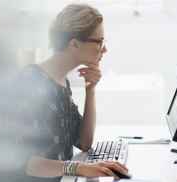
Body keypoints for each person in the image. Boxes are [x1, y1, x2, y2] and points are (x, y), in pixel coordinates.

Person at [13, 3, 128, 182]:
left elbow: (84, 142)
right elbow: (24, 162)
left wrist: (90, 89)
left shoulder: (61, 82)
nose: (104, 49)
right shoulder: (31, 81)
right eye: (99, 41)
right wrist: (80, 169)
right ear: (74, 43)